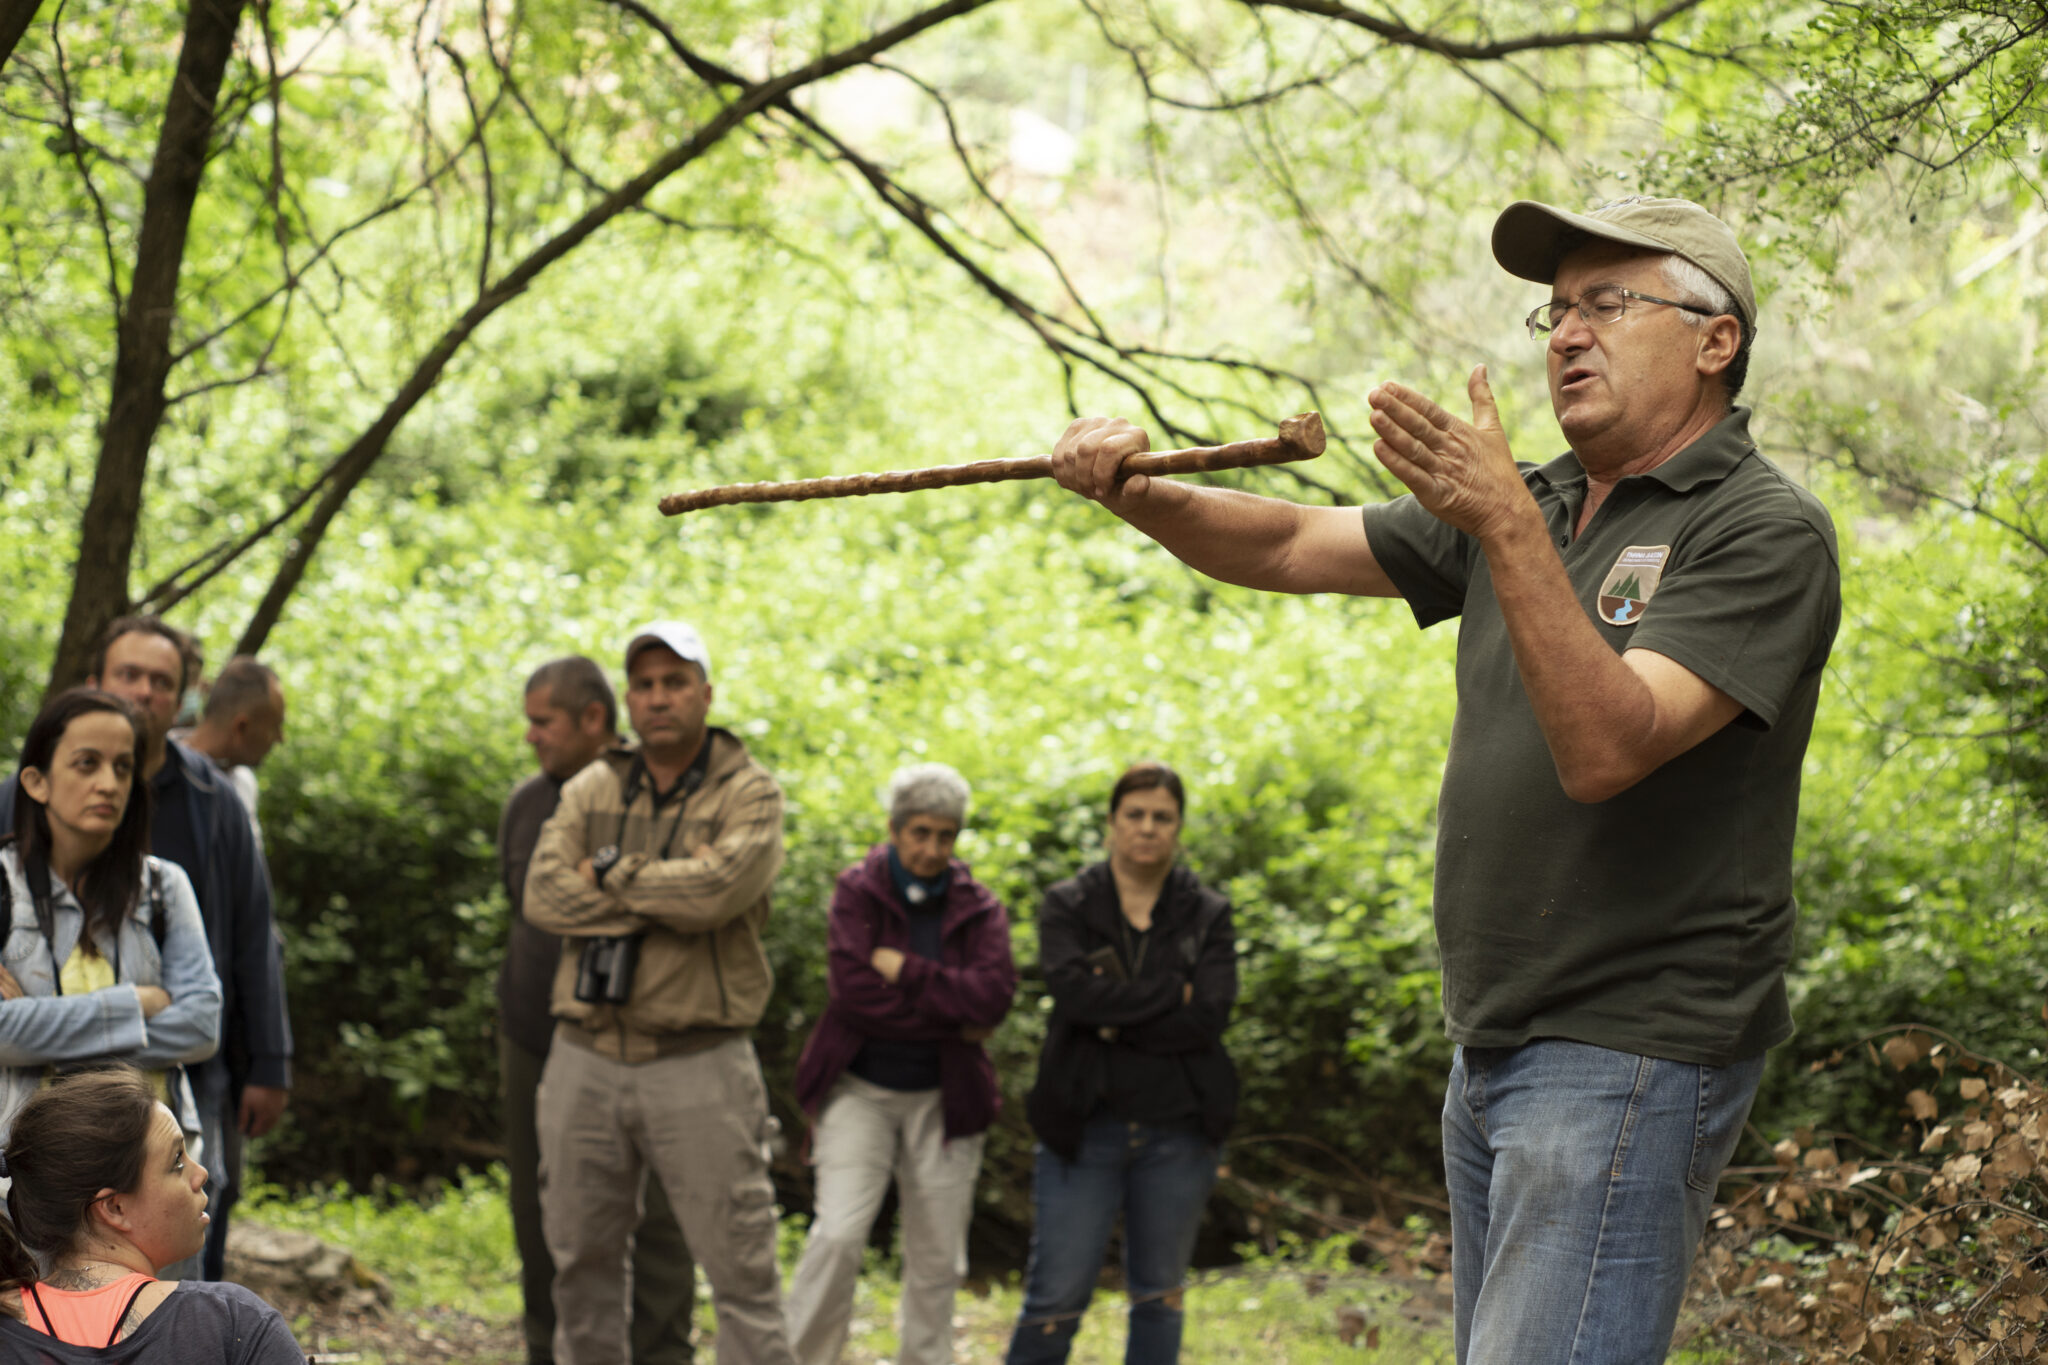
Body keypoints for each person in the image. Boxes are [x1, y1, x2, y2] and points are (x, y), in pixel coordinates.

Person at [1048, 197, 1842, 1364]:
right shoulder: (1543, 505)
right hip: (1493, 1047)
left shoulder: (1758, 530)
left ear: (1714, 340)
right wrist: (1136, 491)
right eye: (1556, 309)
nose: (1566, 334)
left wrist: (1504, 525)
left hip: (1630, 1048)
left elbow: (1608, 748)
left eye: (1606, 303)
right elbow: (1279, 543)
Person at [524, 621, 795, 1365]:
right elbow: (545, 896)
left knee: (741, 1270)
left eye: (675, 682)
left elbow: (720, 892)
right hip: (585, 1055)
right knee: (580, 1265)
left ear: (706, 692)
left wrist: (609, 872)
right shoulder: (593, 784)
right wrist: (672, 887)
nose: (657, 697)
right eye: (643, 684)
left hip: (699, 1060)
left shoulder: (752, 793)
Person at [40, 616, 293, 1285]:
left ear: (183, 696)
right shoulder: (25, 804)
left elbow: (250, 935)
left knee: (195, 1220)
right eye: (130, 674)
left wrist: (269, 1058)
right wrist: (132, 1008)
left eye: (162, 681)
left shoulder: (215, 799)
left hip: (188, 1073)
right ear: (97, 680)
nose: (145, 692)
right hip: (46, 1097)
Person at [1004, 762, 1237, 1365]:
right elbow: (1074, 996)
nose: (1148, 828)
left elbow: (1209, 1016)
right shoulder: (1069, 904)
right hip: (1083, 1128)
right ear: (1111, 824)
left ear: (1179, 828)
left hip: (1178, 1130)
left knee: (1159, 1294)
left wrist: (1113, 1018)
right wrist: (1168, 994)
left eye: (1162, 817)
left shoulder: (1207, 912)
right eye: (1134, 815)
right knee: (1057, 1293)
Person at [785, 763, 1018, 1365]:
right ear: (893, 830)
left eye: (945, 836)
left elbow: (993, 997)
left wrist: (909, 971)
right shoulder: (857, 892)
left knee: (939, 1254)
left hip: (946, 1097)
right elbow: (855, 997)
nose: (932, 849)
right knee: (837, 1234)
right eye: (920, 833)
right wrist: (953, 1010)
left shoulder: (978, 906)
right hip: (860, 1087)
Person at [499, 657, 696, 1365]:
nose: (531, 736)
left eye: (542, 721)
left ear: (592, 720)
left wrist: (594, 892)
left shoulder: (646, 794)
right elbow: (533, 906)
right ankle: (549, 1351)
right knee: (538, 1213)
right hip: (532, 1038)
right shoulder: (526, 802)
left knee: (658, 1222)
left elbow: (665, 902)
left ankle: (662, 1353)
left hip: (632, 1041)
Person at [0, 690, 222, 1146]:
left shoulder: (165, 887)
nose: (109, 783)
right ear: (37, 781)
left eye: (122, 767)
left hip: (153, 1173)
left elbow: (201, 1027)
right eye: (87, 763)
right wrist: (135, 1003)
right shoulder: (3, 885)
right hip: (20, 1180)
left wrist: (38, 1035)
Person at [0, 1066, 304, 1362]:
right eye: (177, 1163)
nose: (201, 1174)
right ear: (114, 1208)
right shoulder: (231, 1322)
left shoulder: (8, 1329)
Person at [179, 657, 287, 854]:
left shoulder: (243, 784)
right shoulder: (164, 765)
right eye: (275, 727)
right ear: (241, 727)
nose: (281, 739)